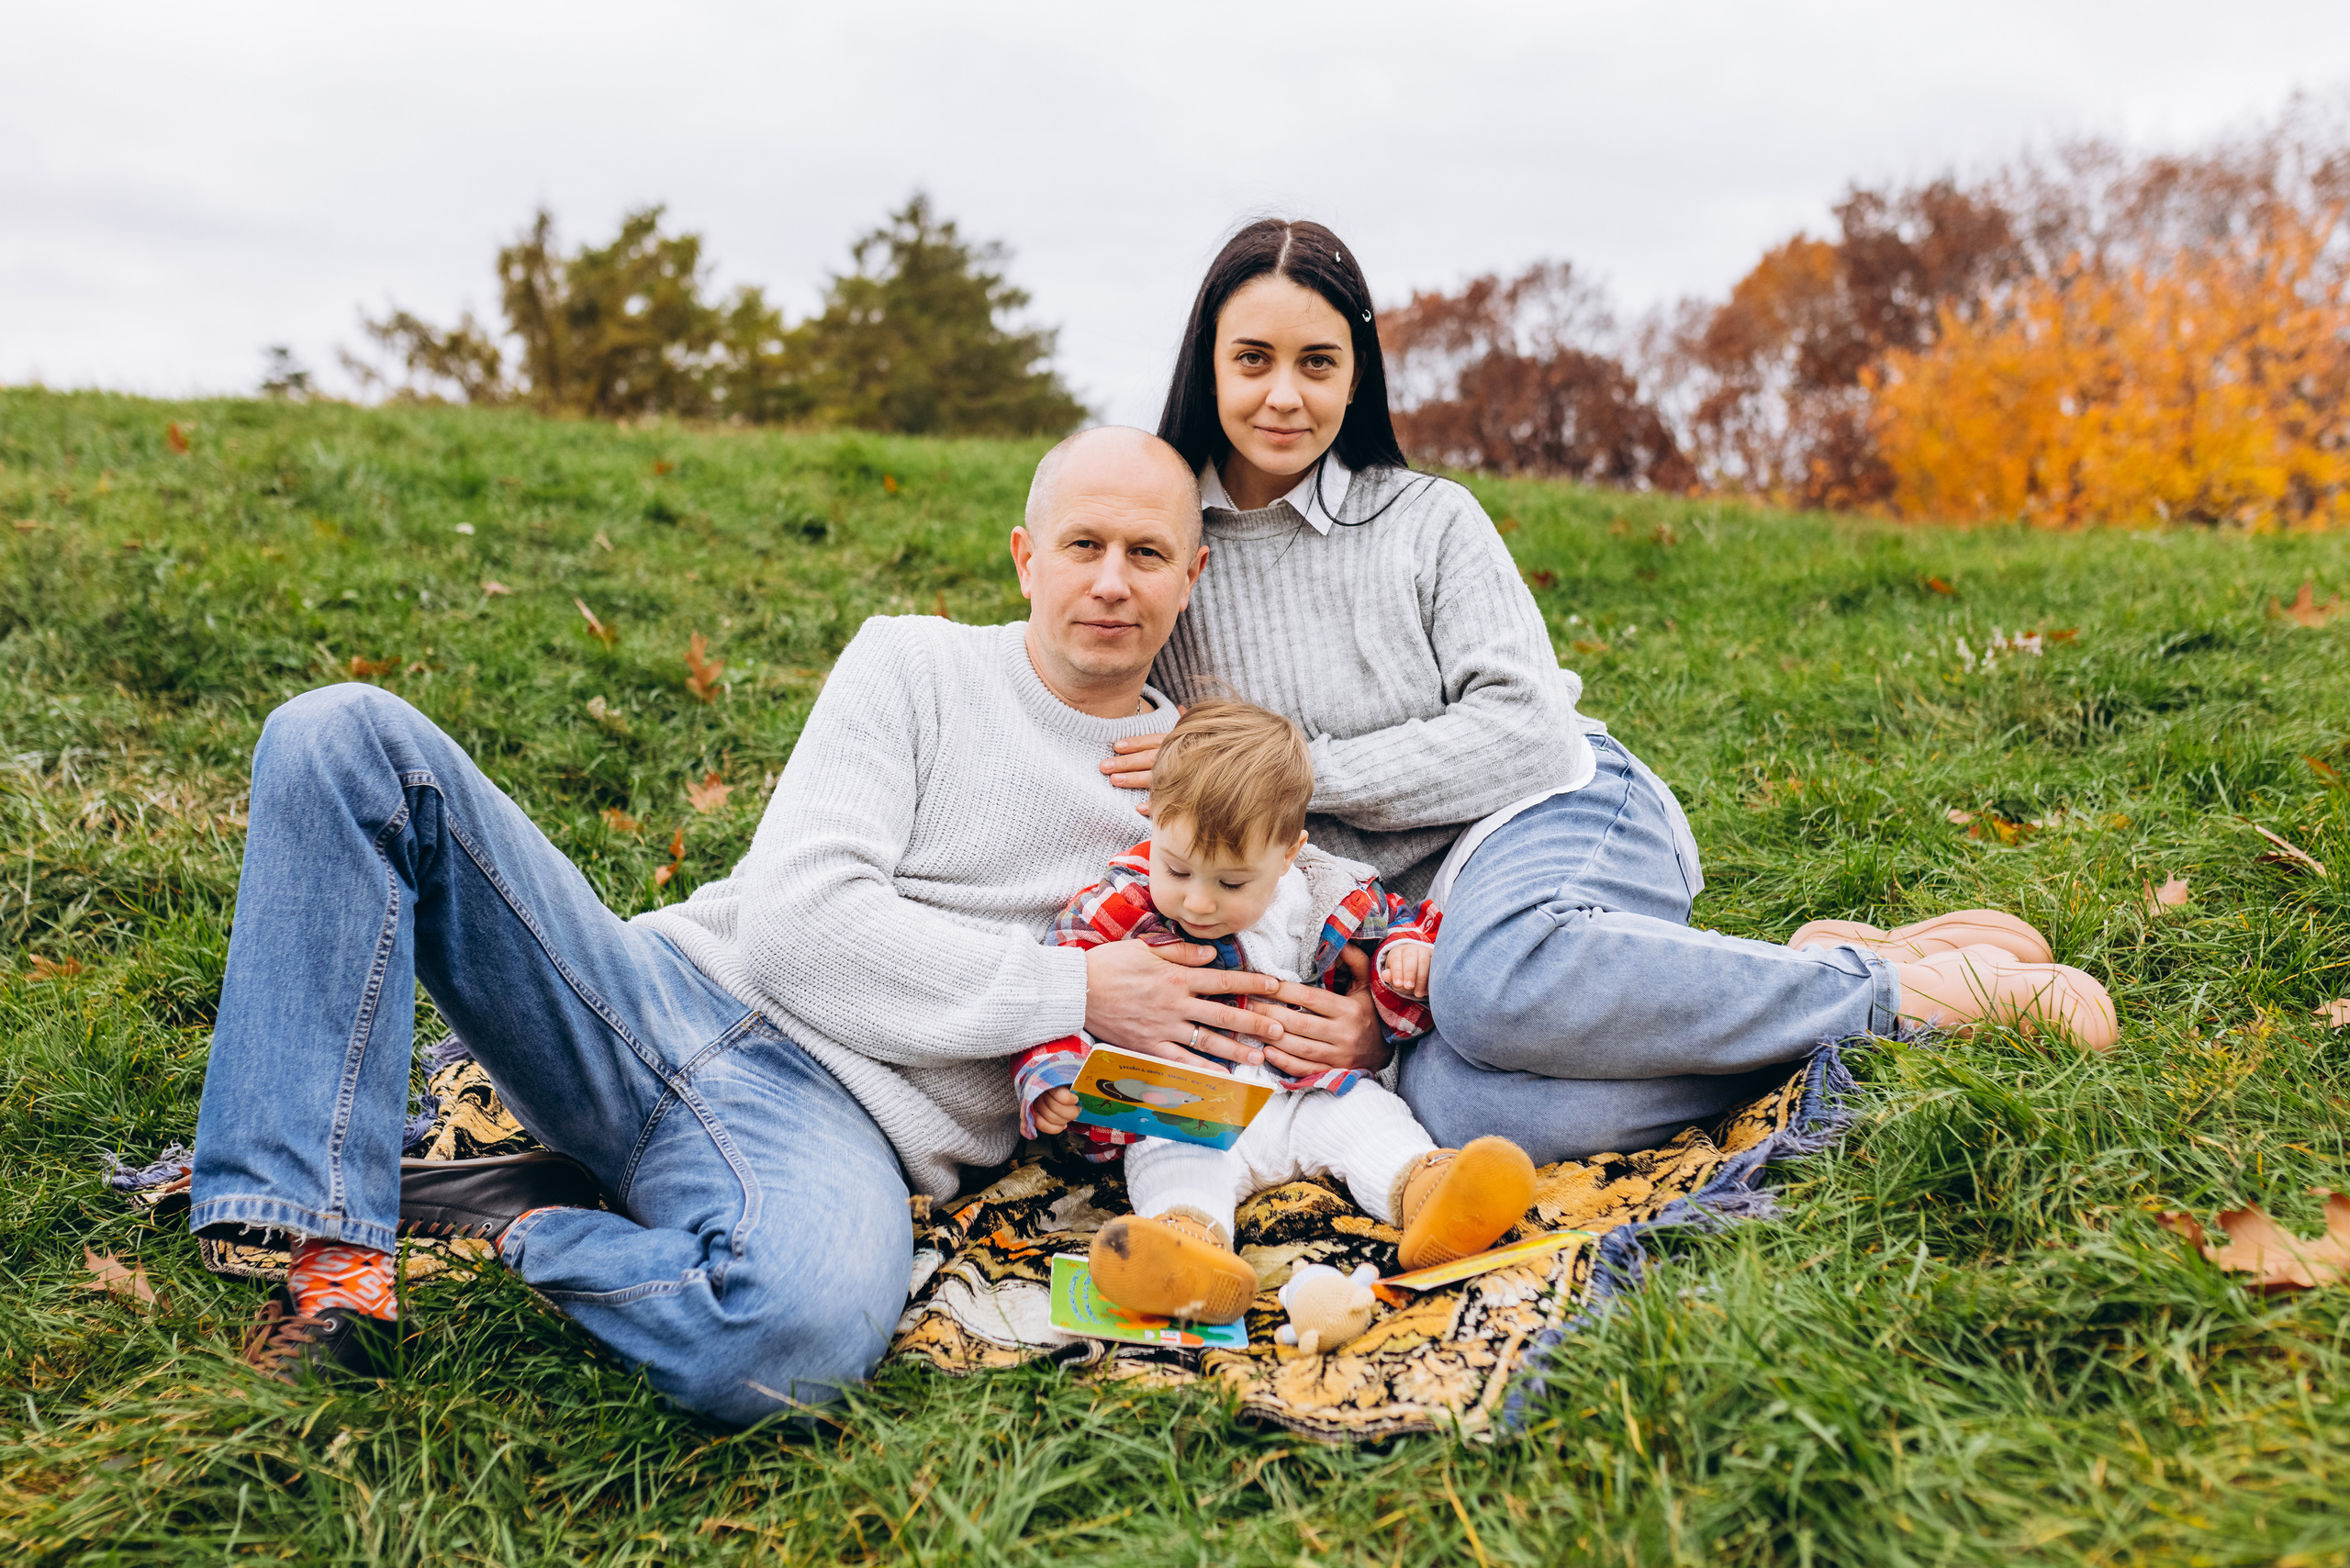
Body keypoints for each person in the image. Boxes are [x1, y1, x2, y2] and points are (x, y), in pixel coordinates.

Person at [191, 426, 1355, 1424]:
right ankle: (333, 1263)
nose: (1111, 581)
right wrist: (1075, 995)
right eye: (1083, 546)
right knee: (343, 735)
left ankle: (539, 1220)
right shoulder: (913, 662)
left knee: (791, 1345)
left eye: (1146, 553)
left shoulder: (1200, 775)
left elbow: (1329, 894)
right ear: (1025, 557)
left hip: (840, 1135)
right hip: (652, 1001)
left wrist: (1361, 1013)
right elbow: (801, 920)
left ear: (1192, 573)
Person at [1099, 218, 2118, 1166]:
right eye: (1253, 360)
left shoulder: (1425, 521)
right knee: (1466, 1112)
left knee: (1492, 988)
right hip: (1404, 938)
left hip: (1547, 811)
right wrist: (1372, 1008)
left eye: (1318, 362)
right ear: (1208, 364)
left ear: (1356, 374)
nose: (1286, 395)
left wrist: (1308, 765)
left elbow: (1525, 733)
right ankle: (1781, 977)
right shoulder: (1168, 555)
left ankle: (1903, 995)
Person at [1011, 700, 1534, 1323]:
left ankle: (1430, 1194)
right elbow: (1059, 984)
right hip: (1186, 1107)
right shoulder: (1118, 906)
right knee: (1173, 1169)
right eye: (1177, 869)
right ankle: (1188, 1258)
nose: (1199, 902)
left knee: (1371, 1122)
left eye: (1232, 883)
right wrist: (1051, 1077)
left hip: (1306, 1091)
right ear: (1155, 827)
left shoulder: (1330, 894)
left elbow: (1400, 928)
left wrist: (1408, 962)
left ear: (1289, 854)